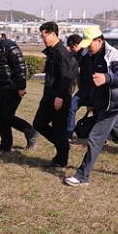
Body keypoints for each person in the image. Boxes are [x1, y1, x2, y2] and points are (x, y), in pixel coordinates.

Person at [64, 26, 118, 186]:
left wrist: (107, 78)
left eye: (90, 43)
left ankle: (82, 177)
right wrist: (89, 102)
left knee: (95, 138)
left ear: (99, 41)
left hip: (113, 103)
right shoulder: (88, 55)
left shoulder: (113, 55)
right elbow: (88, 82)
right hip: (99, 102)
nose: (87, 47)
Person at [0, 22, 37, 154]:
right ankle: (5, 145)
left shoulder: (10, 46)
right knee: (1, 117)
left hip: (14, 87)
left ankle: (30, 131)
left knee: (7, 116)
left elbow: (20, 67)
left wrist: (22, 87)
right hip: (1, 87)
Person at [33, 22, 78, 168]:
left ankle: (61, 158)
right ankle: (63, 145)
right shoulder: (51, 51)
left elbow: (67, 76)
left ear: (53, 34)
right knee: (39, 123)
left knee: (59, 128)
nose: (42, 38)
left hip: (59, 97)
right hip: (48, 95)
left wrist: (60, 96)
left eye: (44, 35)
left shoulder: (62, 53)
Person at [66, 33, 91, 139]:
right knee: (71, 107)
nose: (71, 50)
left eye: (71, 48)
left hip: (91, 90)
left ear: (76, 45)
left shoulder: (88, 56)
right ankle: (69, 133)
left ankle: (103, 136)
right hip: (83, 89)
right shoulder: (76, 56)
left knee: (101, 115)